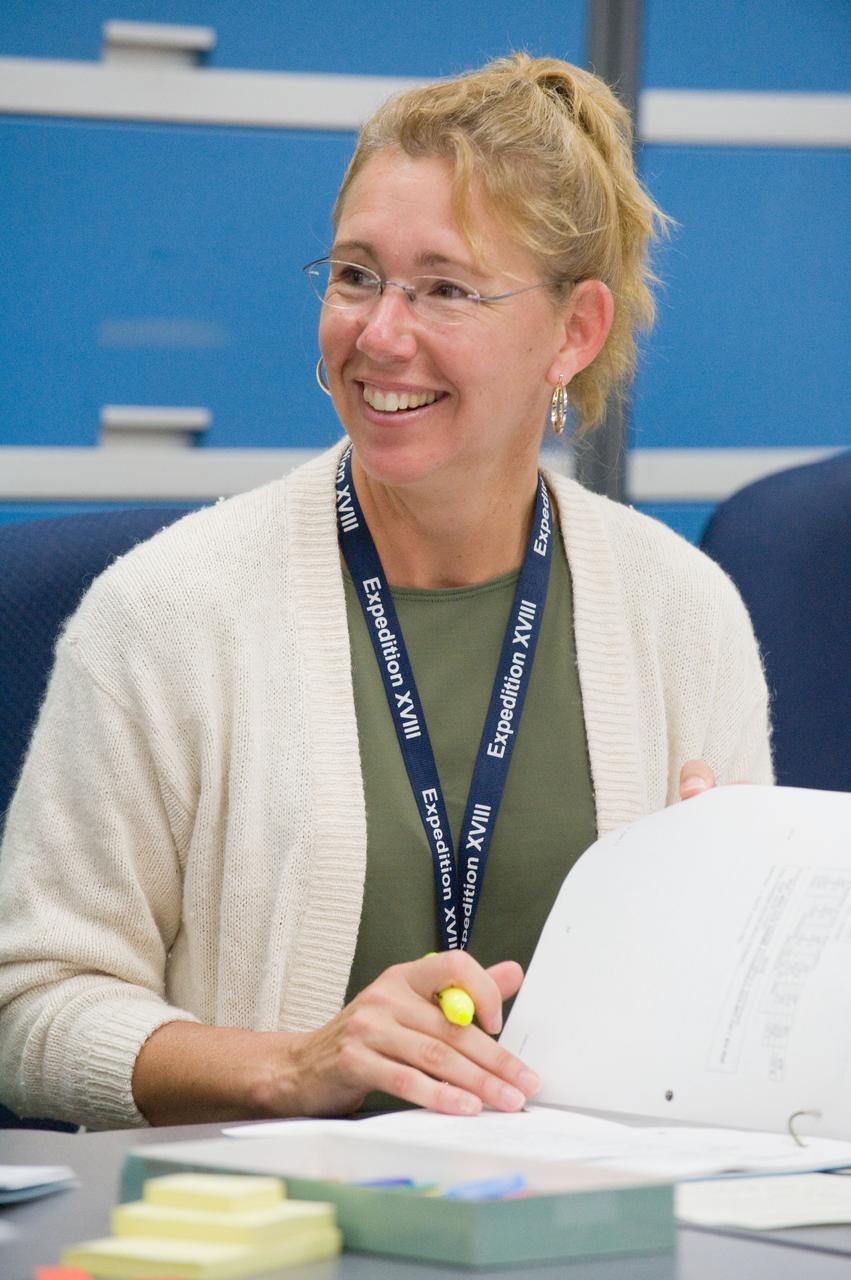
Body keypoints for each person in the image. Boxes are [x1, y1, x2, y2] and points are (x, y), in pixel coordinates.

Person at [0, 54, 772, 1131]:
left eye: (445, 288)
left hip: (591, 1207)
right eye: (356, 275)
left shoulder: (682, 613)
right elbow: (29, 1008)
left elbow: (751, 1031)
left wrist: (726, 926)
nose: (378, 334)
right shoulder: (168, 614)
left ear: (574, 331)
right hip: (264, 1210)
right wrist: (290, 1066)